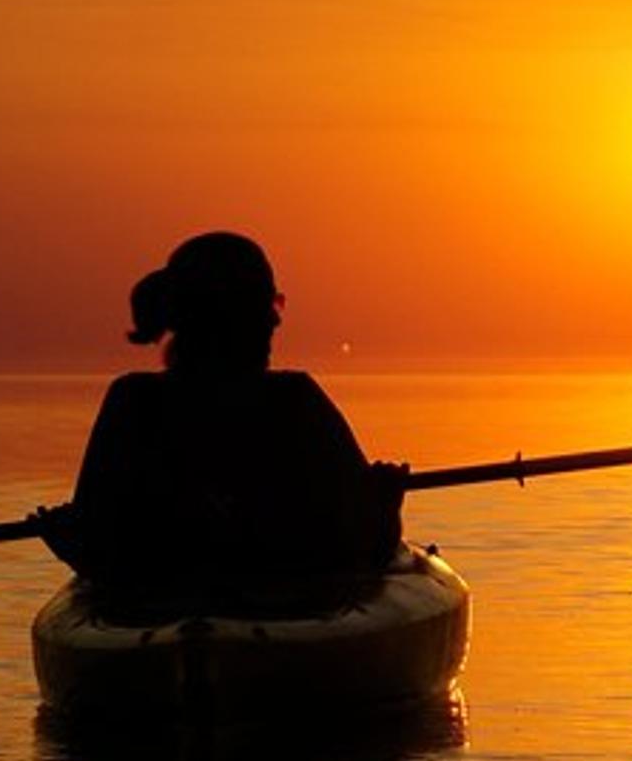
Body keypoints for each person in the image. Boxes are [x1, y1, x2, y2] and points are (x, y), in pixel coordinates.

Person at [37, 232, 403, 612]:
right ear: (245, 319)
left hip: (154, 604)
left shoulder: (131, 400)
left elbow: (95, 543)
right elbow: (366, 543)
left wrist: (68, 539)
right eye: (269, 309)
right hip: (284, 605)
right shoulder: (295, 400)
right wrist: (386, 504)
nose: (275, 324)